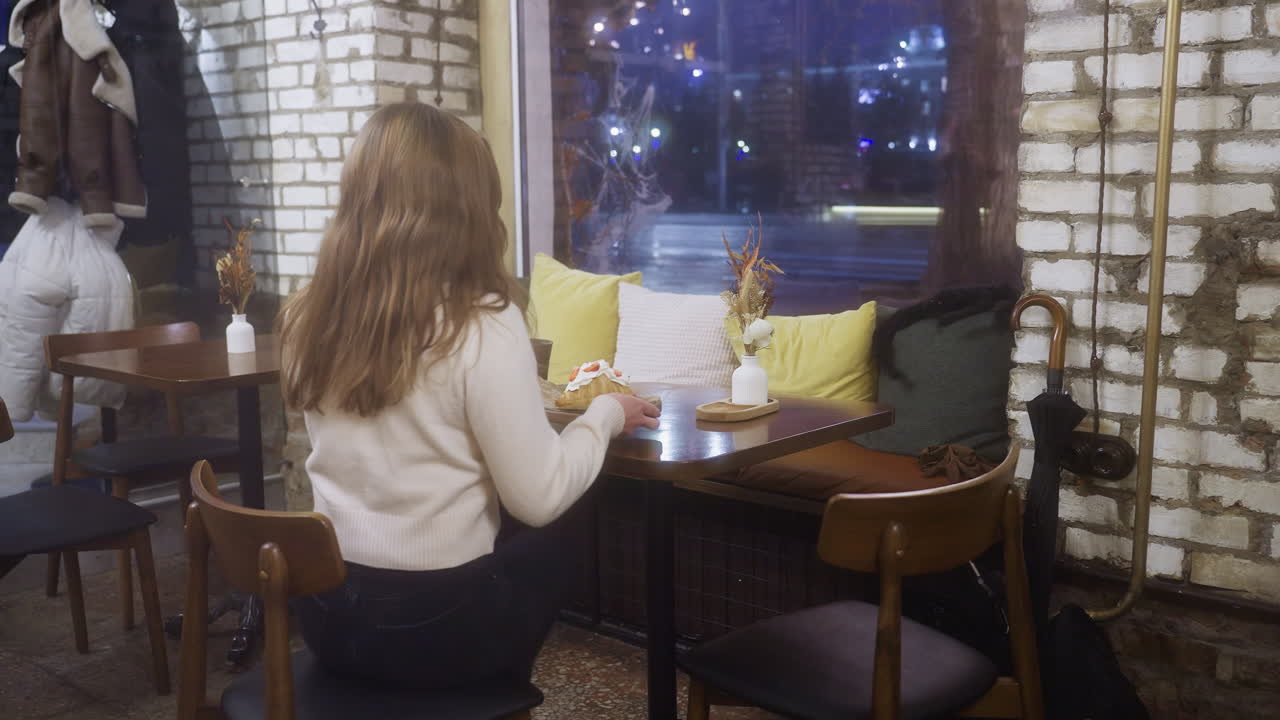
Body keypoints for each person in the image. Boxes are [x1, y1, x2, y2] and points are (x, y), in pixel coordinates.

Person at [278, 102, 660, 690]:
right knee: (567, 507)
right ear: (468, 208)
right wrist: (606, 414)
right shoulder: (480, 322)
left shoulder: (308, 315)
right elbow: (539, 497)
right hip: (435, 630)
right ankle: (491, 693)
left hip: (327, 616)